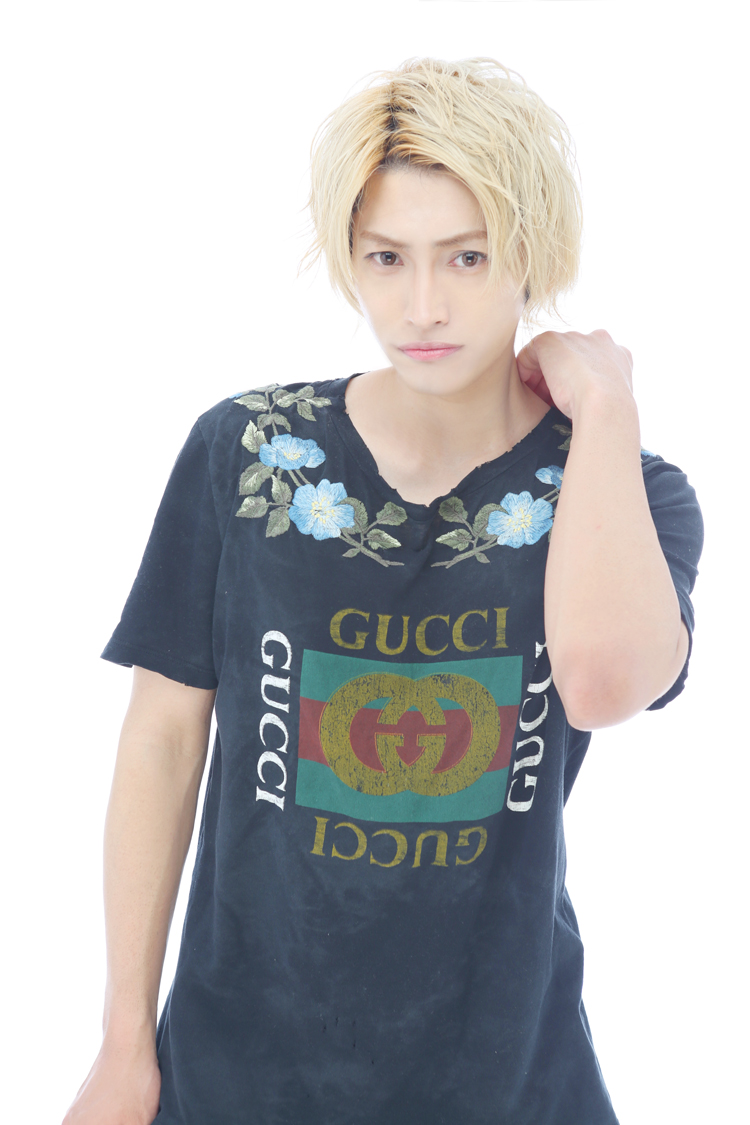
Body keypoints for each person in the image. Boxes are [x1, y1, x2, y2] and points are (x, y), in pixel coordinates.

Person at [62, 57, 704, 1125]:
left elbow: (601, 687)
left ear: (533, 253)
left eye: (467, 256)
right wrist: (125, 1039)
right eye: (386, 257)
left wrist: (606, 408)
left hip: (510, 1081)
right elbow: (163, 741)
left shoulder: (628, 493)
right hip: (238, 1076)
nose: (422, 306)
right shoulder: (248, 454)